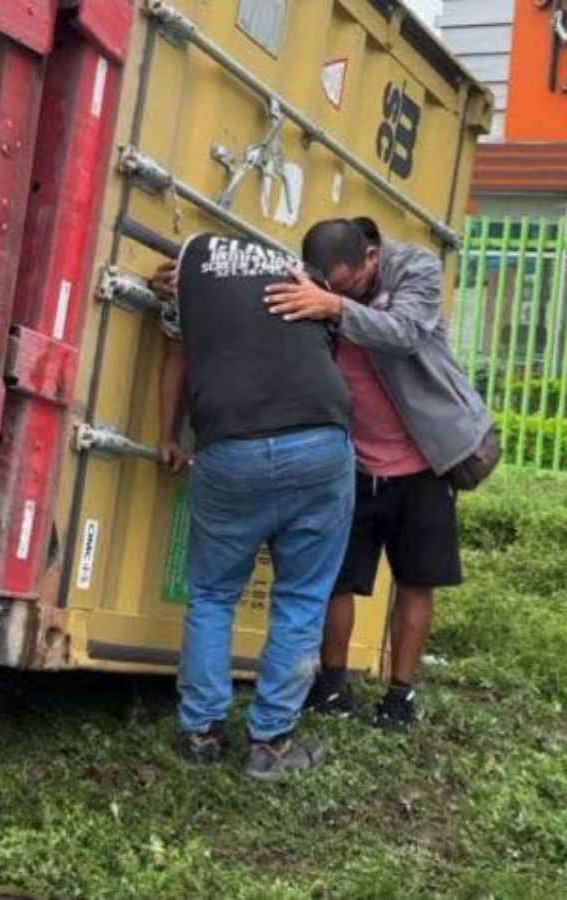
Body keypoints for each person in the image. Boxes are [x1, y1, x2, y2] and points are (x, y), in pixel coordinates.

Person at [264, 217, 493, 731]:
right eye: (332, 288)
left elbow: (405, 334)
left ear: (372, 257)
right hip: (352, 463)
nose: (340, 295)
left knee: (417, 580)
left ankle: (399, 695)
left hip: (424, 460)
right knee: (337, 579)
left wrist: (335, 307)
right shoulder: (314, 284)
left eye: (350, 287)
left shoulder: (415, 268)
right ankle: (331, 685)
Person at [153, 234, 355, 780]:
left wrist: (168, 435)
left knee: (214, 594)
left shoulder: (185, 274)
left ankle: (200, 733)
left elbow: (176, 357)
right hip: (318, 442)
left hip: (230, 448)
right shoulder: (301, 272)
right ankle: (271, 744)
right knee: (301, 597)